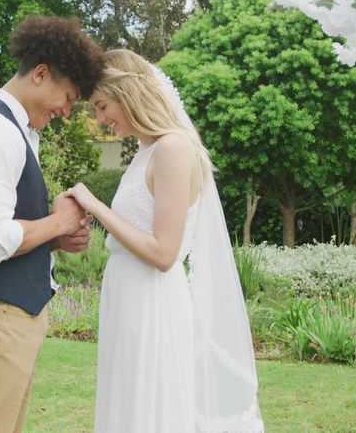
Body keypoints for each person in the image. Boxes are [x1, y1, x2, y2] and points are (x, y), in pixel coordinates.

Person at [64, 49, 263, 433]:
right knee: (126, 404)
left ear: (129, 93)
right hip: (127, 297)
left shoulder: (172, 148)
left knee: (149, 410)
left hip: (151, 301)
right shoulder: (146, 151)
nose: (101, 119)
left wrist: (95, 206)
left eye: (103, 106)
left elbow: (164, 253)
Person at [0, 15, 103, 433]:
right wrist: (58, 220)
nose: (66, 111)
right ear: (41, 74)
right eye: (67, 97)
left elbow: (9, 226)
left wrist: (55, 238)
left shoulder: (18, 132)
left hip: (11, 314)